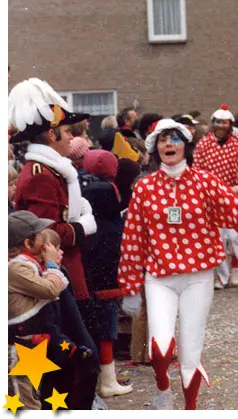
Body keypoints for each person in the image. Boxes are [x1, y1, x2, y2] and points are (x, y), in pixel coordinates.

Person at [116, 119, 238, 410]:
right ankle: (162, 387)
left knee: (190, 353)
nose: (169, 144)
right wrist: (130, 285)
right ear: (155, 147)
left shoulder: (205, 182)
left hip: (198, 277)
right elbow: (133, 238)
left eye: (175, 139)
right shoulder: (144, 188)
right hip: (160, 278)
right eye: (163, 140)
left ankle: (190, 408)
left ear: (186, 145)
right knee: (160, 348)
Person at [9, 79, 97, 305]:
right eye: (67, 131)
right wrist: (82, 226)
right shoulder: (41, 176)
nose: (71, 137)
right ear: (51, 134)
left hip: (63, 265)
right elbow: (45, 235)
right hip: (55, 270)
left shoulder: (51, 171)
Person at [78, 149, 133, 397]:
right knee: (107, 326)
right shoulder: (110, 196)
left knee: (89, 323)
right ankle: (108, 379)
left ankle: (97, 376)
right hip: (107, 271)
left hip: (85, 269)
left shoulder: (79, 189)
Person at [8, 211, 69, 411]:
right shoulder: (15, 268)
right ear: (27, 244)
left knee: (32, 399)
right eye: (40, 236)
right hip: (18, 347)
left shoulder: (28, 264)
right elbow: (51, 289)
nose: (45, 240)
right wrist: (51, 264)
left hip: (30, 346)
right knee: (25, 405)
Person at [192, 104, 238, 290]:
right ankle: (220, 275)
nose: (220, 126)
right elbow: (198, 168)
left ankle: (235, 265)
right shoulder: (204, 144)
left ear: (230, 124)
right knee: (215, 237)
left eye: (224, 122)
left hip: (233, 194)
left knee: (234, 236)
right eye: (217, 122)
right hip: (211, 197)